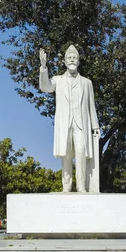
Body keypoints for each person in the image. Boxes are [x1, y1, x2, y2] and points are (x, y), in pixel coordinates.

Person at [39, 45, 100, 192]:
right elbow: (45, 87)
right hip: (65, 123)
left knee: (81, 151)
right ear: (65, 62)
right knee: (66, 154)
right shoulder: (58, 80)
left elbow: (91, 105)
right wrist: (43, 67)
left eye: (74, 58)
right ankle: (66, 186)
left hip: (81, 125)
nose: (72, 60)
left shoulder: (87, 83)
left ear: (78, 62)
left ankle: (80, 186)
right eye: (69, 58)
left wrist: (95, 125)